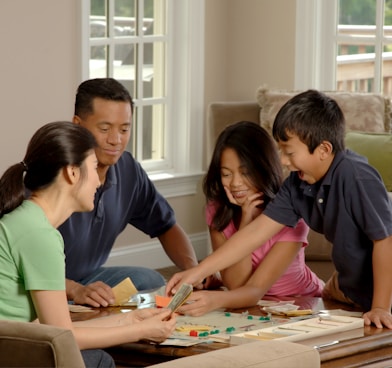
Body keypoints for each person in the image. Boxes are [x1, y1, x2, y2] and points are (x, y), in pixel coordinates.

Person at [166, 90, 392, 329]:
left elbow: (385, 241)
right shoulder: (297, 184)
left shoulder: (356, 177)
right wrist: (197, 271)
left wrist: (380, 306)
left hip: (384, 288)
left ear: (324, 150)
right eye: (281, 151)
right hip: (349, 287)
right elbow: (255, 234)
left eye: (290, 152)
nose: (283, 161)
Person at [0, 121, 176, 368]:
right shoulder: (39, 235)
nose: (98, 181)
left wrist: (132, 320)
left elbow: (53, 327)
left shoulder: (28, 221)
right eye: (94, 168)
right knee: (98, 360)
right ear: (72, 173)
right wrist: (139, 332)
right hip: (11, 355)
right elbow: (61, 336)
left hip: (14, 346)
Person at [59, 78, 207, 308]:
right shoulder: (53, 175)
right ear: (77, 125)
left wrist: (193, 271)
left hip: (87, 276)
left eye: (124, 129)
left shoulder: (127, 169)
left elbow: (165, 226)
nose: (116, 140)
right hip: (42, 284)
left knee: (150, 280)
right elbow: (21, 266)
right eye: (105, 129)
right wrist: (74, 290)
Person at [176, 121, 323, 316]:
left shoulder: (291, 214)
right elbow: (236, 284)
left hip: (301, 302)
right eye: (226, 174)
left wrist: (213, 300)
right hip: (251, 305)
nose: (235, 183)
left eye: (245, 173)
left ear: (264, 168)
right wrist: (246, 220)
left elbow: (254, 289)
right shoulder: (218, 211)